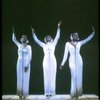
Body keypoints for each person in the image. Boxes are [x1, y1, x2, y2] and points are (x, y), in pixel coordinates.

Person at [60, 27, 95, 99]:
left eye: (77, 35)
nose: (76, 36)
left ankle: (78, 93)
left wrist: (93, 33)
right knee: (74, 75)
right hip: (71, 60)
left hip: (79, 60)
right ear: (72, 36)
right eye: (75, 35)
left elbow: (87, 39)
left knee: (79, 76)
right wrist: (62, 63)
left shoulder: (79, 43)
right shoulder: (67, 44)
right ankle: (73, 93)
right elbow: (65, 54)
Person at [31, 21, 61, 98]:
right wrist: (33, 33)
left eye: (49, 37)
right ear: (45, 39)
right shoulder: (43, 45)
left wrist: (58, 27)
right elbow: (36, 40)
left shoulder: (54, 43)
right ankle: (47, 92)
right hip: (46, 61)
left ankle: (52, 92)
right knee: (46, 75)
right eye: (47, 37)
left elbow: (57, 36)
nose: (48, 37)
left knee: (53, 75)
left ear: (51, 39)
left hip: (53, 61)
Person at [12, 27, 32, 99]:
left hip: (26, 63)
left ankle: (25, 94)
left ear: (26, 40)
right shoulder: (19, 45)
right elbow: (14, 39)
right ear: (21, 39)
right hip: (19, 63)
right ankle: (20, 93)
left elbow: (30, 56)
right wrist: (14, 32)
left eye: (24, 37)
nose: (23, 38)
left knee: (25, 78)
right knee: (19, 78)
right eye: (22, 37)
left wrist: (27, 65)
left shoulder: (29, 47)